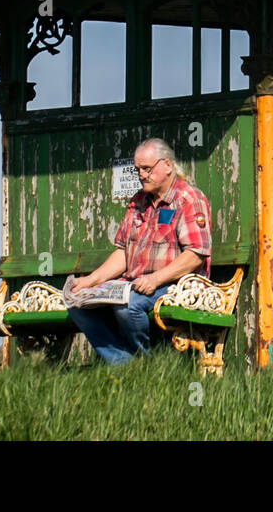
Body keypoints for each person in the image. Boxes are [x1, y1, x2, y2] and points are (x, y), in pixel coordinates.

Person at [67, 137, 212, 364]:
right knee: (77, 304)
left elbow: (195, 255)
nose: (142, 174)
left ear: (167, 165)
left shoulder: (188, 199)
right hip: (135, 284)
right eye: (138, 169)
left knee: (128, 307)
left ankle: (146, 365)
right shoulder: (138, 201)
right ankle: (126, 365)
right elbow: (123, 252)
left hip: (174, 285)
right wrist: (91, 280)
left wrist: (155, 279)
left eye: (147, 168)